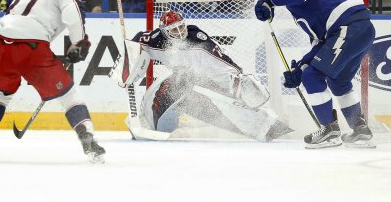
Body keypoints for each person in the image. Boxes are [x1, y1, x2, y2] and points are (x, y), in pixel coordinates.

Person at [0, 0, 105, 163]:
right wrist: (79, 43)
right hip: (31, 50)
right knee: (69, 95)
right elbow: (73, 15)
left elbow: (12, 18)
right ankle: (88, 140)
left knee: (1, 92)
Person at [112, 11, 292, 142]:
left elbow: (221, 61)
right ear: (165, 32)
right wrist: (127, 65)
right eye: (174, 30)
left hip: (204, 80)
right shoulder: (154, 40)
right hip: (181, 83)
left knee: (213, 97)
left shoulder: (197, 40)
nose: (180, 33)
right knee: (177, 86)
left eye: (181, 27)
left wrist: (239, 79)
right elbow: (135, 44)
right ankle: (151, 125)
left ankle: (264, 122)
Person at [255, 0, 376, 149]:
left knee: (313, 77)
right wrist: (299, 70)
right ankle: (361, 131)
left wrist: (270, 2)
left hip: (347, 28)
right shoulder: (313, 13)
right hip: (360, 30)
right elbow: (319, 46)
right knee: (338, 82)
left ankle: (329, 131)